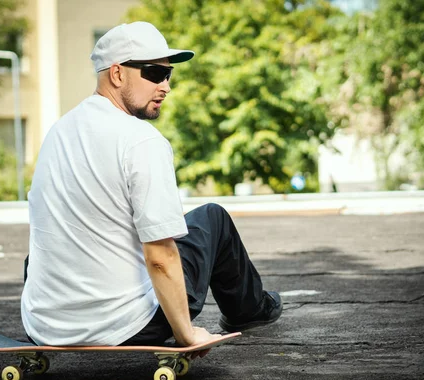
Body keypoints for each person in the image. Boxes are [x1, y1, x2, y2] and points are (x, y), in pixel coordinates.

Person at [20, 21, 282, 349]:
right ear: (116, 74)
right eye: (154, 74)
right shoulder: (141, 140)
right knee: (211, 218)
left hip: (45, 325)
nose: (166, 86)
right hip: (132, 326)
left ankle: (66, 314)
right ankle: (249, 311)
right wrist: (186, 334)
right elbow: (160, 255)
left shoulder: (58, 133)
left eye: (168, 75)